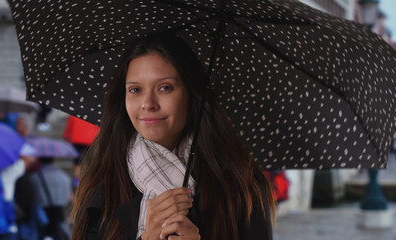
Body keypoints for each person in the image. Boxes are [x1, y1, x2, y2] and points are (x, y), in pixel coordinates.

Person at [70, 33, 275, 240]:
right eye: (135, 90)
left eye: (165, 88)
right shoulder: (105, 182)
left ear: (191, 95)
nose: (148, 103)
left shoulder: (240, 184)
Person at [30, 157, 72, 240]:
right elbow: (69, 198)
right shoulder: (64, 176)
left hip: (42, 216)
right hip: (60, 215)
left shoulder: (34, 177)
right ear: (53, 160)